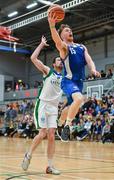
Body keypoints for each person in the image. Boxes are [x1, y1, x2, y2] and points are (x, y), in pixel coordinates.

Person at [48, 11, 100, 141]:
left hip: (79, 82)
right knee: (79, 99)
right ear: (62, 35)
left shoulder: (81, 47)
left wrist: (93, 69)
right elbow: (57, 41)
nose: (69, 31)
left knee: (71, 107)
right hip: (68, 81)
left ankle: (60, 123)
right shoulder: (64, 47)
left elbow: (89, 60)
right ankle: (67, 126)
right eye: (66, 30)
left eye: (70, 30)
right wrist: (52, 27)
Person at [21, 36, 63, 175]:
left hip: (54, 108)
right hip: (43, 105)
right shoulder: (48, 71)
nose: (60, 61)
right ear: (53, 64)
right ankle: (28, 155)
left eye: (61, 60)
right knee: (43, 133)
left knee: (51, 135)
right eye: (58, 60)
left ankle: (50, 166)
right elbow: (33, 58)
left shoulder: (64, 78)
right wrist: (40, 45)